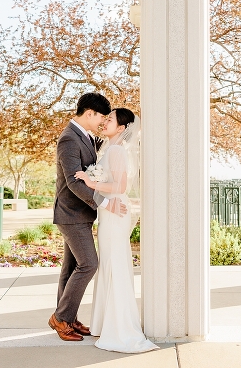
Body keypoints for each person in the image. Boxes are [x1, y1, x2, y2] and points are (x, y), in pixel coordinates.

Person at [75, 108, 158, 353]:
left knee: (115, 264)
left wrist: (91, 182)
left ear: (121, 128)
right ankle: (104, 322)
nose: (105, 122)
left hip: (115, 211)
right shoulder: (109, 148)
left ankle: (120, 327)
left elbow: (120, 185)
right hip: (109, 211)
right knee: (109, 263)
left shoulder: (117, 150)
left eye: (109, 119)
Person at [48, 92, 127, 342]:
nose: (103, 122)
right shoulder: (69, 139)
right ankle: (61, 318)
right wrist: (104, 202)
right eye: (101, 117)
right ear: (89, 113)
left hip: (80, 214)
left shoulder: (87, 137)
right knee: (89, 264)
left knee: (71, 267)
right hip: (71, 213)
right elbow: (73, 183)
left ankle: (67, 318)